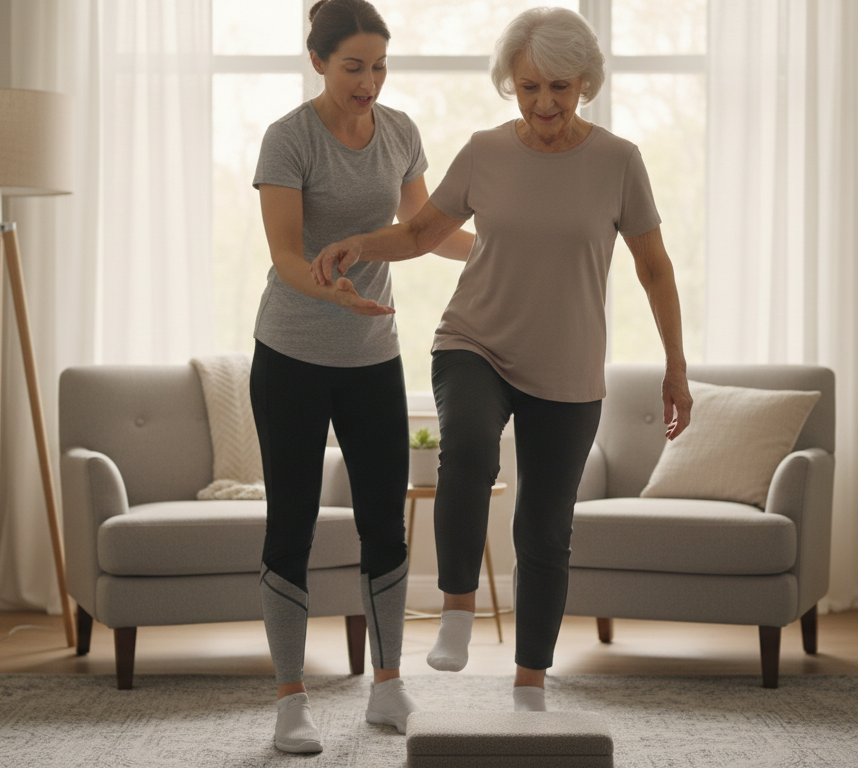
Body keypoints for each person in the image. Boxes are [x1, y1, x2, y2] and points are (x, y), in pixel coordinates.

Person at [311, 6, 693, 712]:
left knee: (545, 529)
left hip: (568, 364)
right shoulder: (485, 151)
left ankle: (529, 686)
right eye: (528, 87)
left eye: (559, 87)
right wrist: (360, 244)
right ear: (510, 85)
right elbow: (420, 233)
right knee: (466, 449)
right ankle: (458, 610)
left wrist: (675, 367)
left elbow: (654, 268)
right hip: (475, 340)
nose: (543, 104)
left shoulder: (618, 161)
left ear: (585, 82)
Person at [251, 0, 473, 753]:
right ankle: (290, 701)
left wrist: (502, 249)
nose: (368, 82)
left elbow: (422, 231)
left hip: (373, 356)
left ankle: (387, 686)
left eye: (378, 66)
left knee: (384, 524)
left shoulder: (400, 133)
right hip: (291, 353)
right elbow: (286, 255)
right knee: (291, 525)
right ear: (318, 61)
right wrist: (332, 292)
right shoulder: (289, 138)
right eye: (353, 67)